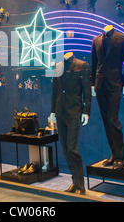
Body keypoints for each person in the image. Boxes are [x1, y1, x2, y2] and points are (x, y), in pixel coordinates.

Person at [90, 25, 124, 170]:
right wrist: (92, 84)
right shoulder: (96, 40)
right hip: (100, 84)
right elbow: (94, 64)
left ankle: (120, 157)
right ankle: (114, 154)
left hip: (115, 83)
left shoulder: (122, 38)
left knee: (112, 119)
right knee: (105, 120)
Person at [50, 52, 91, 195]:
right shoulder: (58, 66)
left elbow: (86, 91)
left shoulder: (82, 65)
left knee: (72, 149)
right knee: (66, 148)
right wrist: (53, 112)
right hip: (60, 112)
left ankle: (80, 185)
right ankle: (75, 183)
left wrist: (86, 111)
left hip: (74, 112)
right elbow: (55, 90)